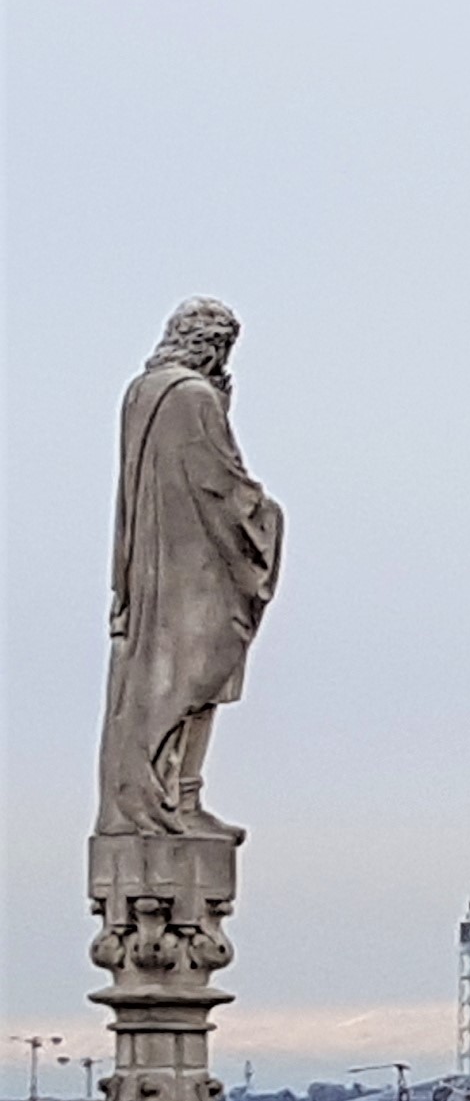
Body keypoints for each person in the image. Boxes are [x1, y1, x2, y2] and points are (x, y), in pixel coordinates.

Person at [99, 299, 283, 839]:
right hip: (193, 572)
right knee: (198, 670)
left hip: (152, 566)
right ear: (211, 344)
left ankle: (171, 796)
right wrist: (266, 512)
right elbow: (218, 482)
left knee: (162, 677)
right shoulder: (191, 397)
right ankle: (172, 799)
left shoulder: (142, 392)